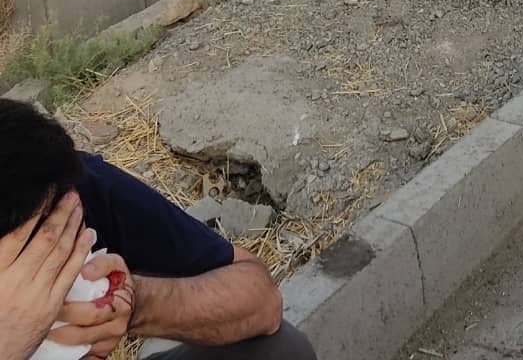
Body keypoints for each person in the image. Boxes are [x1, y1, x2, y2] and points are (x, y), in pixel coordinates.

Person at [0, 99, 317, 360]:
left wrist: (136, 301)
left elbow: (260, 300)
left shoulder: (64, 193)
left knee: (280, 352)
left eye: (57, 244)